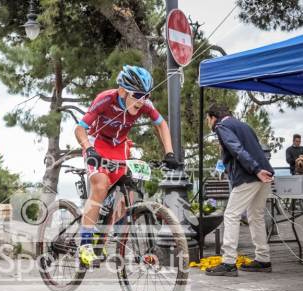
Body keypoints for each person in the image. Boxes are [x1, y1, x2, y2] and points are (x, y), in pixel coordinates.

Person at [74, 65, 179, 268]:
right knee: (100, 185)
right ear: (123, 90)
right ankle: (85, 245)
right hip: (97, 143)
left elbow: (161, 124)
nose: (142, 100)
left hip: (119, 146)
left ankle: (104, 240)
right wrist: (88, 148)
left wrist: (169, 153)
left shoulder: (144, 104)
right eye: (138, 95)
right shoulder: (106, 99)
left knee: (127, 194)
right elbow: (80, 128)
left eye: (146, 95)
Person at [204, 104, 274, 277]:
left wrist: (255, 169)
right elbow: (255, 148)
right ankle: (263, 259)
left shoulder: (221, 126)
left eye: (207, 119)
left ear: (213, 117)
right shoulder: (244, 125)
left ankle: (228, 262)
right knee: (255, 215)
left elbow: (236, 149)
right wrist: (260, 169)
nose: (208, 123)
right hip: (265, 173)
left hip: (250, 175)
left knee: (231, 215)